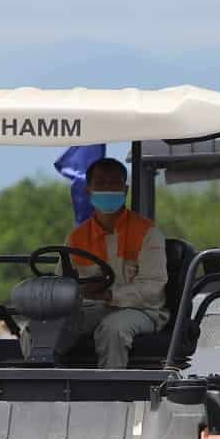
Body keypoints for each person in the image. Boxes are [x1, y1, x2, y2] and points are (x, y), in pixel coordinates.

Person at [62, 156, 169, 368]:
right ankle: (44, 386)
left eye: (114, 183)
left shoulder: (147, 233)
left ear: (125, 190)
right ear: (88, 190)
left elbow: (153, 289)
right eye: (101, 183)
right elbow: (62, 284)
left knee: (113, 328)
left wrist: (110, 295)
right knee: (46, 326)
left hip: (143, 311)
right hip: (93, 308)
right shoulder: (76, 238)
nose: (108, 189)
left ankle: (110, 393)